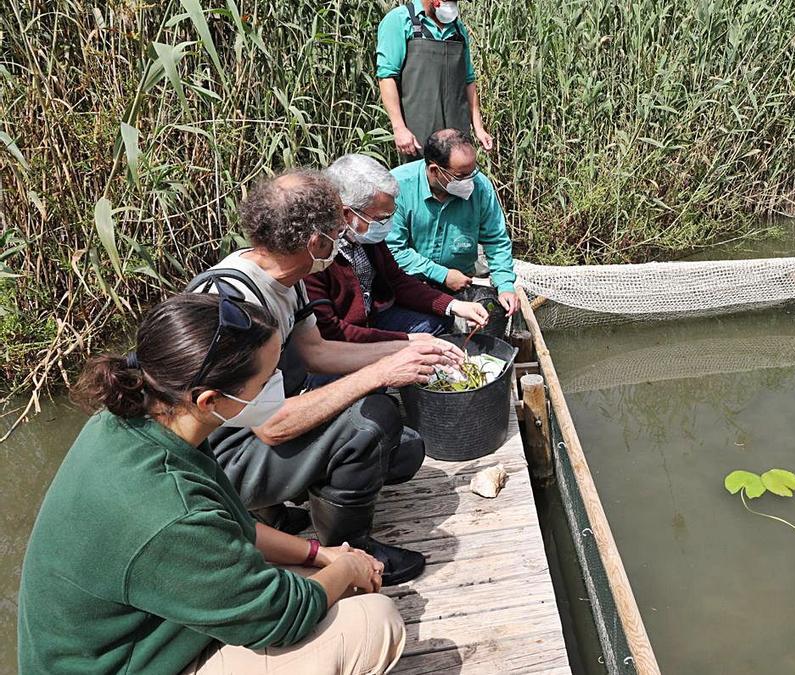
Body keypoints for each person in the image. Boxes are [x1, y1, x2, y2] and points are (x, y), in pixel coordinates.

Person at [18, 293, 406, 675]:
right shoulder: (170, 512)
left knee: (339, 586)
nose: (279, 384)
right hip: (121, 663)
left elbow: (233, 525)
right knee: (372, 622)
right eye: (267, 379)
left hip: (143, 630)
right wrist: (350, 566)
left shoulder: (132, 418)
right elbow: (283, 615)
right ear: (209, 401)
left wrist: (320, 554)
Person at [189, 169, 461, 586]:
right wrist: (379, 373)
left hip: (264, 423)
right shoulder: (237, 305)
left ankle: (274, 509)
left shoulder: (283, 277)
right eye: (337, 231)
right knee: (373, 420)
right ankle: (350, 551)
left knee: (403, 452)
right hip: (224, 461)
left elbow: (317, 352)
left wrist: (408, 348)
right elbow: (271, 427)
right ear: (316, 242)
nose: (343, 241)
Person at [306, 153, 490, 345]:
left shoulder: (366, 236)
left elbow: (397, 281)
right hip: (340, 340)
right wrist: (405, 341)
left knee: (439, 320)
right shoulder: (317, 257)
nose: (387, 225)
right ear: (346, 213)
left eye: (391, 215)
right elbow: (330, 331)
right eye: (381, 218)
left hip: (372, 318)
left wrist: (454, 305)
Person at [388, 128, 518, 319]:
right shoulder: (397, 186)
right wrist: (443, 275)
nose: (470, 181)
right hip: (409, 284)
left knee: (494, 313)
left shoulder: (481, 187)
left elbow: (496, 241)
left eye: (473, 172)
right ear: (435, 171)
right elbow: (393, 250)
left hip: (462, 282)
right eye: (461, 176)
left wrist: (505, 285)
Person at [376, 0, 493, 160]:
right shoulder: (400, 20)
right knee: (421, 177)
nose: (451, 3)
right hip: (418, 130)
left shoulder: (458, 29)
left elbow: (468, 80)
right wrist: (399, 128)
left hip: (457, 130)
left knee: (459, 177)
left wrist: (478, 128)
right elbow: (386, 76)